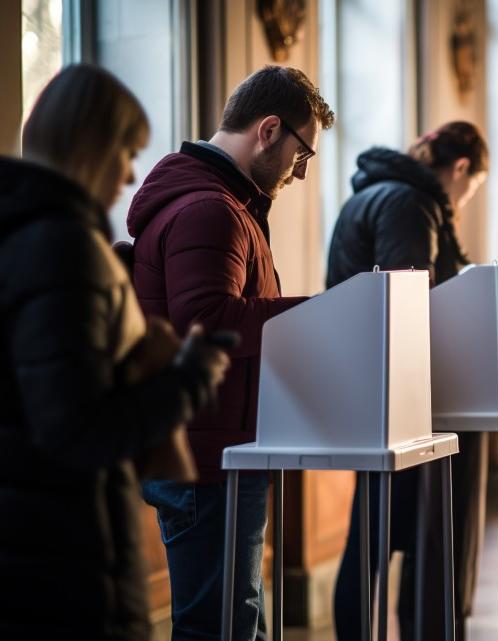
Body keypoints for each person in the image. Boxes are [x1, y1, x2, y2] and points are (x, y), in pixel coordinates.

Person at [0, 64, 230, 641]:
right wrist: (187, 382)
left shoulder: (25, 234)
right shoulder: (64, 247)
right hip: (61, 552)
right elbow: (75, 429)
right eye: (126, 152)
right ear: (92, 145)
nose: (130, 174)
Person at [126, 65, 335, 641]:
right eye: (303, 154)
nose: (300, 170)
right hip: (207, 457)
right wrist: (318, 312)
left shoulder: (221, 202)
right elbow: (207, 322)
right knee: (218, 625)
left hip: (214, 446)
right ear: (269, 130)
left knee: (236, 617)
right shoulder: (210, 210)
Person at [328, 121, 489, 641]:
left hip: (375, 387)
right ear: (461, 168)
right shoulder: (408, 203)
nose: (466, 197)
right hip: (401, 394)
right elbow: (413, 301)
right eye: (474, 185)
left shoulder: (387, 193)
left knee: (372, 532)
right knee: (402, 535)